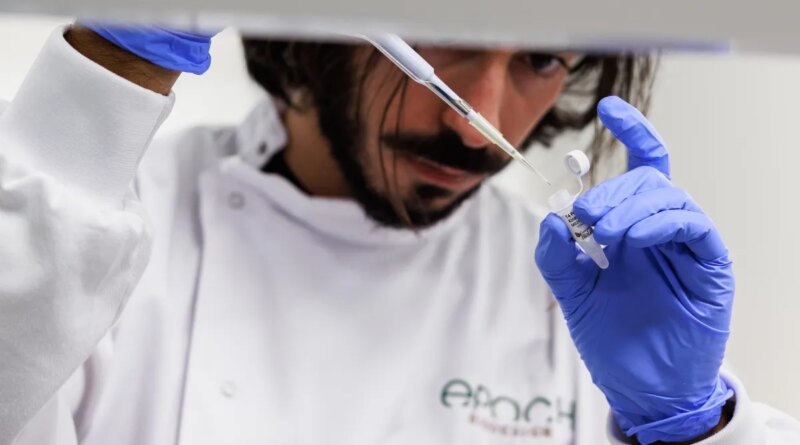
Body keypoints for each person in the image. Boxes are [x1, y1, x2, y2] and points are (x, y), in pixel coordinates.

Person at [0, 22, 797, 445]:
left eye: (542, 59)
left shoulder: (578, 302)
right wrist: (103, 74)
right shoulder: (90, 222)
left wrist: (697, 427)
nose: (474, 124)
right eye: (442, 39)